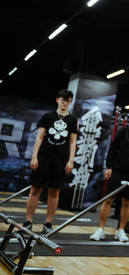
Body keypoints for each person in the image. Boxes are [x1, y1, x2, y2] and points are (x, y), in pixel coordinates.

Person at [90, 106, 129, 242]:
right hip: (117, 171)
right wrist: (109, 167)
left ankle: (121, 230)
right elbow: (112, 149)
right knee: (108, 200)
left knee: (127, 202)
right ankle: (101, 229)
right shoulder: (123, 131)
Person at [23, 89, 78, 234]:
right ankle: (28, 221)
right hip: (43, 157)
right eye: (62, 99)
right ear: (57, 100)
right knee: (35, 190)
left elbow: (73, 142)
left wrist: (71, 160)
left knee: (54, 192)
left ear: (70, 102)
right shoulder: (48, 117)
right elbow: (39, 137)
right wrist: (34, 156)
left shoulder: (72, 120)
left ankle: (48, 223)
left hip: (60, 160)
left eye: (68, 100)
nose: (65, 103)